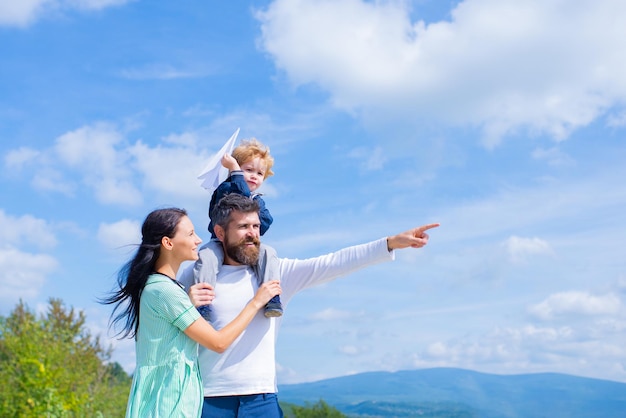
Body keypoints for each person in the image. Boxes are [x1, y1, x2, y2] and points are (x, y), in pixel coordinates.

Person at [178, 194, 439, 418]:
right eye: (243, 226)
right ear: (220, 232)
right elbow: (166, 327)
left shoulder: (276, 274)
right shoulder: (195, 276)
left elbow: (332, 263)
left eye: (256, 226)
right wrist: (187, 305)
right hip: (207, 399)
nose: (252, 234)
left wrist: (390, 243)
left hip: (261, 399)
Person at [101, 207, 281, 418]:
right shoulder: (164, 291)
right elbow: (218, 342)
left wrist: (188, 304)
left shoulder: (164, 288)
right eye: (190, 234)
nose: (198, 240)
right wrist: (256, 302)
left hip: (167, 401)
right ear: (168, 243)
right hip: (168, 403)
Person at [194, 138, 283, 320]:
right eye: (248, 170)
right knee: (207, 256)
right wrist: (234, 171)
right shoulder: (225, 188)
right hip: (220, 242)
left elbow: (265, 222)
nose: (253, 176)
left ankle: (272, 297)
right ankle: (203, 303)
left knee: (268, 252)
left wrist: (251, 204)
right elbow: (238, 204)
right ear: (234, 170)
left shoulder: (258, 199)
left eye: (259, 173)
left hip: (246, 244)